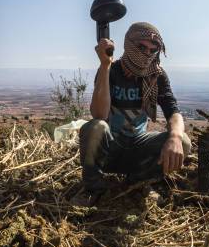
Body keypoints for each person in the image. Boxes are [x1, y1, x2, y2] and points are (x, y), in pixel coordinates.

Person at [76, 22, 191, 202]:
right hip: (109, 149)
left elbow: (173, 112)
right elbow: (99, 114)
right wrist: (105, 66)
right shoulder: (111, 70)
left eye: (153, 50)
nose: (147, 54)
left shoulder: (157, 76)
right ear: (129, 44)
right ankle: (92, 189)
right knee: (95, 127)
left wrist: (175, 137)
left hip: (136, 148)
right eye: (141, 47)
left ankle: (138, 182)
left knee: (183, 141)